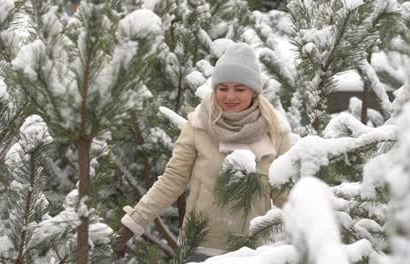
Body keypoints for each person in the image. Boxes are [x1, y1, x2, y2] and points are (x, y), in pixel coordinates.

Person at [115, 43, 292, 260]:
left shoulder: (275, 132)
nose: (229, 97)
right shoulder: (199, 125)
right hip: (199, 248)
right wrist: (132, 225)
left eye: (239, 89)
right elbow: (171, 180)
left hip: (252, 251)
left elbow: (285, 193)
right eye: (223, 88)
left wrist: (320, 232)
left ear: (254, 91)